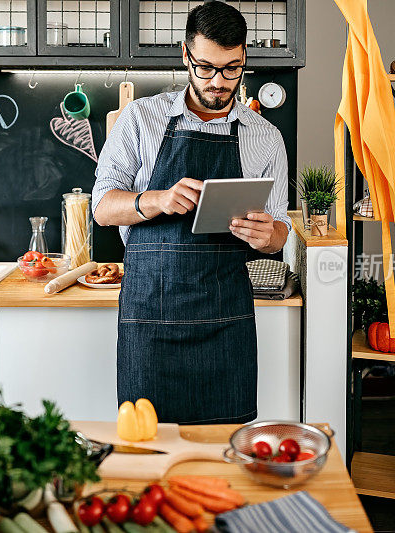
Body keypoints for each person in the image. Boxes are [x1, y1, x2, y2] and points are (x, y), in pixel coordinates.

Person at [92, 2, 290, 424]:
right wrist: (156, 200)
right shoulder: (140, 119)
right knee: (149, 450)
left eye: (231, 68)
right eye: (205, 67)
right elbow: (103, 207)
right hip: (150, 319)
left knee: (223, 455)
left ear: (243, 60)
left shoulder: (266, 137)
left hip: (226, 320)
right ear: (185, 55)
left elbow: (280, 232)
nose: (218, 82)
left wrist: (267, 235)